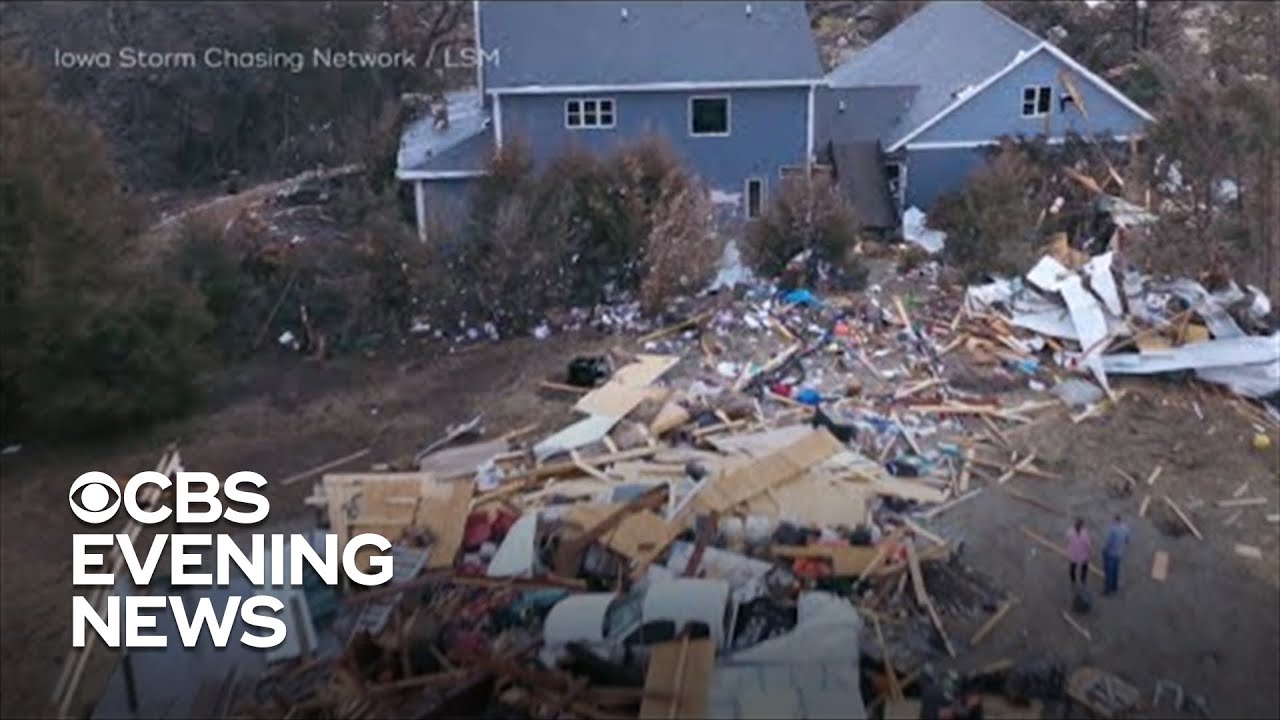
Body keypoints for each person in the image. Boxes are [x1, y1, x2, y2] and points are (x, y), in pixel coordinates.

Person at [1102, 514, 1131, 595]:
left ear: (1115, 520)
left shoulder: (1112, 529)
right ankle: (1115, 587)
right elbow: (1127, 540)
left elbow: (1109, 542)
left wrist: (1105, 550)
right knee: (1116, 571)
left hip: (1111, 553)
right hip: (1119, 553)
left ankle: (1107, 590)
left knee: (1108, 572)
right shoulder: (1125, 527)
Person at [1065, 518, 1092, 589]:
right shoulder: (1084, 534)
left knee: (1072, 567)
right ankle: (1083, 580)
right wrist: (1089, 553)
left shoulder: (1070, 532)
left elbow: (1067, 540)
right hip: (1083, 555)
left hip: (1073, 554)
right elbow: (1088, 545)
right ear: (1081, 526)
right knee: (1084, 568)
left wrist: (1069, 548)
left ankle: (1073, 581)